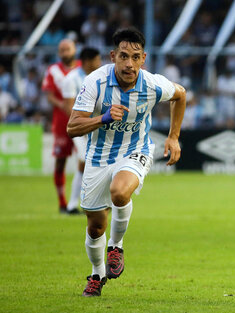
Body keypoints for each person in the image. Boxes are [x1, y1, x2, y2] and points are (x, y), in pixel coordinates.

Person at [67, 27, 186, 297]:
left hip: (136, 150)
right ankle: (97, 274)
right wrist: (104, 118)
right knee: (95, 225)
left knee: (120, 192)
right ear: (113, 56)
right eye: (123, 56)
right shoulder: (94, 82)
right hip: (97, 157)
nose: (129, 64)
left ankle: (116, 246)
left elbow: (181, 95)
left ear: (143, 58)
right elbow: (72, 127)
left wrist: (174, 137)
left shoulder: (153, 84)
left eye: (135, 57)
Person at [41, 38, 81, 214]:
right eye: (62, 50)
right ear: (59, 53)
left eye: (68, 49)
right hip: (61, 123)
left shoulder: (82, 68)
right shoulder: (53, 70)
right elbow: (49, 96)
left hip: (82, 122)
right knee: (60, 162)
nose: (65, 53)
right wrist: (64, 105)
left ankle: (84, 201)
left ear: (75, 49)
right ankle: (62, 202)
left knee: (87, 161)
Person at [61, 47, 102, 214]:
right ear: (87, 61)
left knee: (88, 163)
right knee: (84, 160)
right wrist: (85, 124)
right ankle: (73, 203)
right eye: (97, 60)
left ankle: (78, 204)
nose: (99, 63)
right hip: (80, 128)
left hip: (97, 126)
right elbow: (68, 107)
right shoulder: (71, 79)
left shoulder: (100, 77)